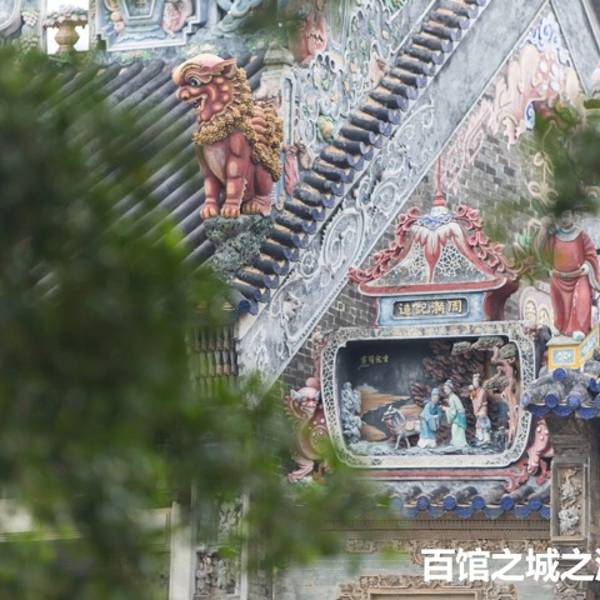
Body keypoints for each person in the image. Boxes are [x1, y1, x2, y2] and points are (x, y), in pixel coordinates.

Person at [544, 210, 600, 340]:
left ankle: (579, 328)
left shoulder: (582, 236)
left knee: (581, 298)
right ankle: (559, 325)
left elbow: (591, 254)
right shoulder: (553, 237)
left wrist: (587, 265)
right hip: (558, 278)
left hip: (579, 276)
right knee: (559, 303)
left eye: (566, 216)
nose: (564, 219)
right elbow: (546, 255)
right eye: (561, 216)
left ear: (573, 217)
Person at [442, 379, 468, 447]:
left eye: (446, 389)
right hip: (460, 417)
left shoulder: (452, 398)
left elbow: (453, 412)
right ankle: (458, 443)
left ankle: (459, 444)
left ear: (450, 389)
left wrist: (445, 409)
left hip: (458, 418)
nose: (445, 390)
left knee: (455, 429)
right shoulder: (452, 397)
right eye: (444, 389)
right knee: (456, 430)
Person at [469, 373, 492, 444]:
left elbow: (479, 402)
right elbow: (472, 399)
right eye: (473, 382)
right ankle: (480, 438)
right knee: (478, 424)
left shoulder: (482, 391)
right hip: (477, 411)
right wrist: (471, 391)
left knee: (484, 423)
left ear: (479, 382)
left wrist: (477, 410)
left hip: (482, 410)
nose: (474, 383)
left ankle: (486, 439)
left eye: (476, 381)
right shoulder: (475, 391)